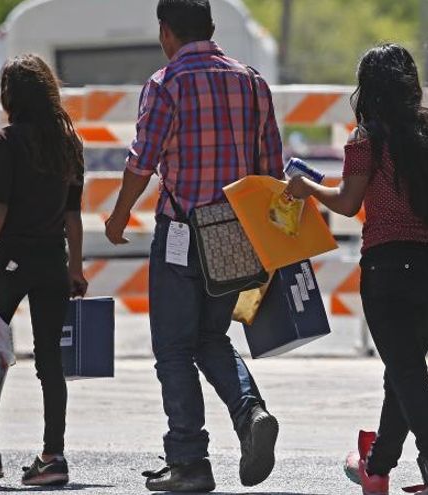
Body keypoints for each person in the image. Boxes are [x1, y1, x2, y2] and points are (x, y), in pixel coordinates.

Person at [287, 43, 428, 495]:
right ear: (412, 84)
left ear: (367, 88)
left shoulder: (365, 137)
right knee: (403, 369)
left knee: (406, 370)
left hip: (388, 268)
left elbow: (349, 204)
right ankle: (377, 467)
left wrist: (307, 187)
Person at [104, 0, 283, 492]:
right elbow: (272, 170)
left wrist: (119, 217)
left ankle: (189, 462)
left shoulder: (166, 85)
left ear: (166, 32)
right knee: (211, 337)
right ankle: (251, 413)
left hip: (183, 234)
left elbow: (142, 163)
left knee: (174, 349)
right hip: (237, 234)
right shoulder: (252, 83)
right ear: (211, 27)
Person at [0, 54, 87, 486]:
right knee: (50, 360)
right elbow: (72, 216)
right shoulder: (70, 142)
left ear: (11, 95)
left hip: (9, 261)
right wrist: (76, 269)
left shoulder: (7, 141)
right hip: (52, 262)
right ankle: (53, 456)